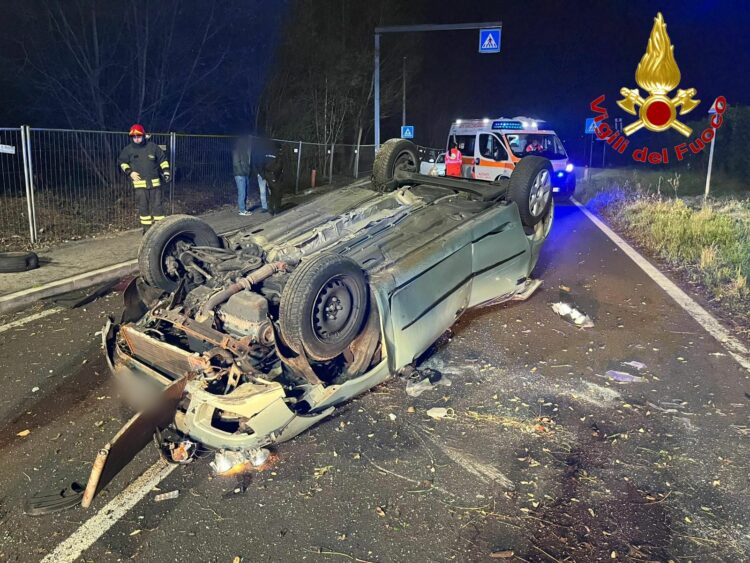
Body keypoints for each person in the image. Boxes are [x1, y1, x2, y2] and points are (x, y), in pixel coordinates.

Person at [118, 124, 170, 233]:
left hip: (155, 185)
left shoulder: (153, 147)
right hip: (140, 186)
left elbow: (163, 159)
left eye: (139, 136)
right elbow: (122, 162)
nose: (136, 139)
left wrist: (166, 171)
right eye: (134, 137)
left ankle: (160, 232)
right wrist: (130, 172)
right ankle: (147, 231)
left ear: (143, 135)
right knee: (143, 209)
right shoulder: (128, 150)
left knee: (158, 208)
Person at [232, 136, 254, 216]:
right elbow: (236, 163)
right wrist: (242, 172)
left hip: (245, 174)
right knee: (242, 193)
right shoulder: (236, 150)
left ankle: (244, 209)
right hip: (240, 175)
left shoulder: (244, 150)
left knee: (245, 192)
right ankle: (242, 210)